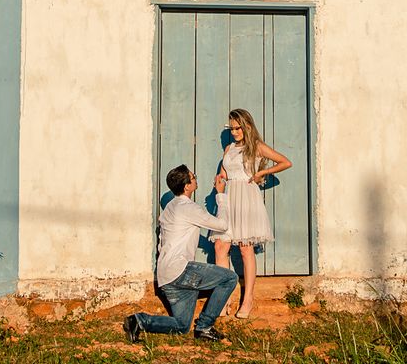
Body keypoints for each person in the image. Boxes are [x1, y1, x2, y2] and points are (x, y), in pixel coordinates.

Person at [123, 165, 238, 343]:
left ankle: (138, 321)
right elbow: (222, 225)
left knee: (181, 326)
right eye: (194, 177)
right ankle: (205, 326)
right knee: (229, 278)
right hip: (181, 270)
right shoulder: (188, 208)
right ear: (187, 187)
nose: (195, 179)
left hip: (166, 277)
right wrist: (221, 195)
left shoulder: (169, 208)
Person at [210, 108, 292, 318]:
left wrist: (262, 173)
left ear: (246, 127)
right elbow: (225, 173)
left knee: (246, 249)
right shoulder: (228, 149)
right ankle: (224, 298)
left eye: (238, 128)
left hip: (247, 197)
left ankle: (248, 300)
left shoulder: (255, 146)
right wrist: (219, 180)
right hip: (229, 197)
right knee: (221, 246)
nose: (235, 132)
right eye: (232, 128)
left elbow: (285, 162)